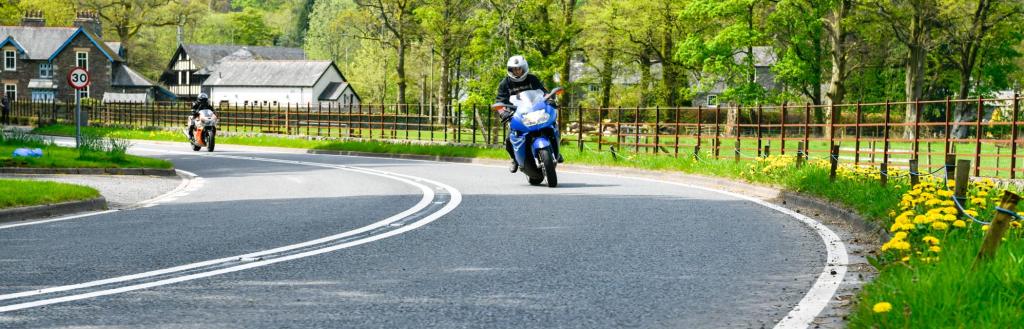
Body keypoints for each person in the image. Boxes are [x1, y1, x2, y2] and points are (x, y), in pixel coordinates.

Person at [494, 55, 562, 173]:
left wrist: (550, 99)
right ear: (510, 70)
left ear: (524, 68)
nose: (517, 71)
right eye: (514, 69)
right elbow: (499, 102)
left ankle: (556, 151)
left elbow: (543, 92)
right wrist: (503, 113)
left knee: (552, 126)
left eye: (519, 68)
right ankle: (514, 159)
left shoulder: (532, 79)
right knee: (509, 138)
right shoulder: (505, 83)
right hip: (516, 115)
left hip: (535, 110)